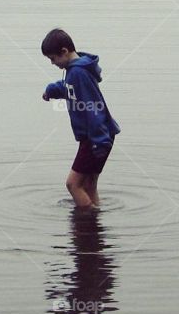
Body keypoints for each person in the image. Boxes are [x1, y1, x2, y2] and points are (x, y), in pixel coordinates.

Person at [41, 28, 121, 209]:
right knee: (89, 185)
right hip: (100, 134)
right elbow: (70, 89)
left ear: (64, 51)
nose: (53, 63)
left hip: (96, 137)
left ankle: (89, 219)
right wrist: (52, 90)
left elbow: (93, 106)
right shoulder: (76, 70)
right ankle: (94, 229)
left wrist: (99, 141)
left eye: (53, 59)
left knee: (73, 184)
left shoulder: (78, 73)